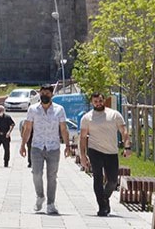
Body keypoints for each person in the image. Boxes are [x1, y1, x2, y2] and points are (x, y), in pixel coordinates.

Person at [20, 84, 71, 215]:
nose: (45, 95)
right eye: (42, 93)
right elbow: (28, 128)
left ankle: (51, 204)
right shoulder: (32, 109)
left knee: (52, 177)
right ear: (39, 94)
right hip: (37, 146)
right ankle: (40, 196)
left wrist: (67, 146)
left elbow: (64, 129)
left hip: (53, 147)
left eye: (47, 93)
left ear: (51, 95)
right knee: (36, 174)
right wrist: (23, 145)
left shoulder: (59, 110)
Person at [79, 92, 131, 217]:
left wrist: (127, 146)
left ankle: (104, 198)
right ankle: (102, 207)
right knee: (97, 177)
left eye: (100, 101)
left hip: (111, 152)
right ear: (92, 103)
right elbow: (82, 138)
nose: (98, 103)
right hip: (94, 150)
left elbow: (124, 131)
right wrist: (83, 155)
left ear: (104, 100)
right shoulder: (87, 118)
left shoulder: (114, 115)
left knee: (113, 181)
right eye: (95, 101)